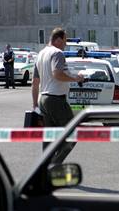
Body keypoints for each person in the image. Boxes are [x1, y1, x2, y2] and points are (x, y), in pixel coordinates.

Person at [32, 27, 84, 164]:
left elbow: (34, 82)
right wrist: (76, 78)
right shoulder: (57, 53)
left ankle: (44, 168)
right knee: (73, 134)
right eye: (65, 40)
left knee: (49, 138)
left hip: (43, 99)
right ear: (58, 39)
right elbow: (57, 74)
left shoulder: (41, 54)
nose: (65, 44)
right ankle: (55, 165)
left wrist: (35, 104)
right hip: (55, 99)